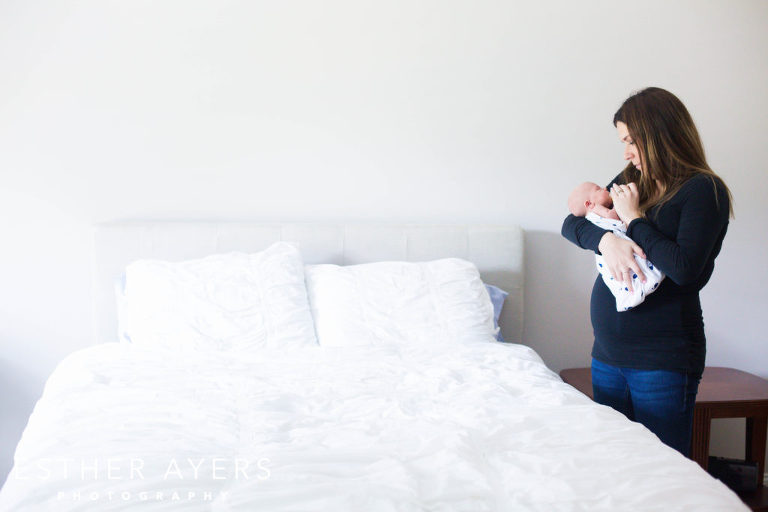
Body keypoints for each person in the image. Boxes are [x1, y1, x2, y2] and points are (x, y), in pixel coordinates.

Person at [561, 87, 732, 457]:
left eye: (630, 141)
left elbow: (684, 269)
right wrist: (606, 241)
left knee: (661, 471)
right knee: (614, 465)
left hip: (662, 360)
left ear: (657, 134)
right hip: (607, 355)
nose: (626, 153)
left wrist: (635, 220)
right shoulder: (630, 178)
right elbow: (572, 222)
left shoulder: (703, 190)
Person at [568, 182, 664, 311]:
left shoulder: (590, 216)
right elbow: (613, 215)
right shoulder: (598, 211)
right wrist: (622, 205)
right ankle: (644, 282)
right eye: (598, 189)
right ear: (589, 204)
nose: (605, 188)